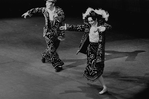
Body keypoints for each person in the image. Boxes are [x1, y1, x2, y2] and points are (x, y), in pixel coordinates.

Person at [60, 7, 111, 94]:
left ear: (95, 19)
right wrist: (66, 27)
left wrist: (104, 29)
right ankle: (103, 85)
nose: (90, 22)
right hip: (90, 48)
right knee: (92, 67)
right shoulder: (88, 26)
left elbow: (108, 26)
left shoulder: (101, 25)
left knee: (97, 68)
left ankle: (104, 87)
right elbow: (78, 27)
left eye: (92, 21)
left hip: (98, 50)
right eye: (89, 21)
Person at [22, 0, 65, 72]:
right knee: (52, 48)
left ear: (53, 3)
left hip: (57, 33)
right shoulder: (45, 10)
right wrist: (28, 13)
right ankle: (57, 65)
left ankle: (45, 55)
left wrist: (57, 17)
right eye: (46, 2)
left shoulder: (58, 10)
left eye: (49, 2)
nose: (46, 4)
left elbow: (63, 17)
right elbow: (36, 10)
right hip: (48, 32)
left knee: (53, 48)